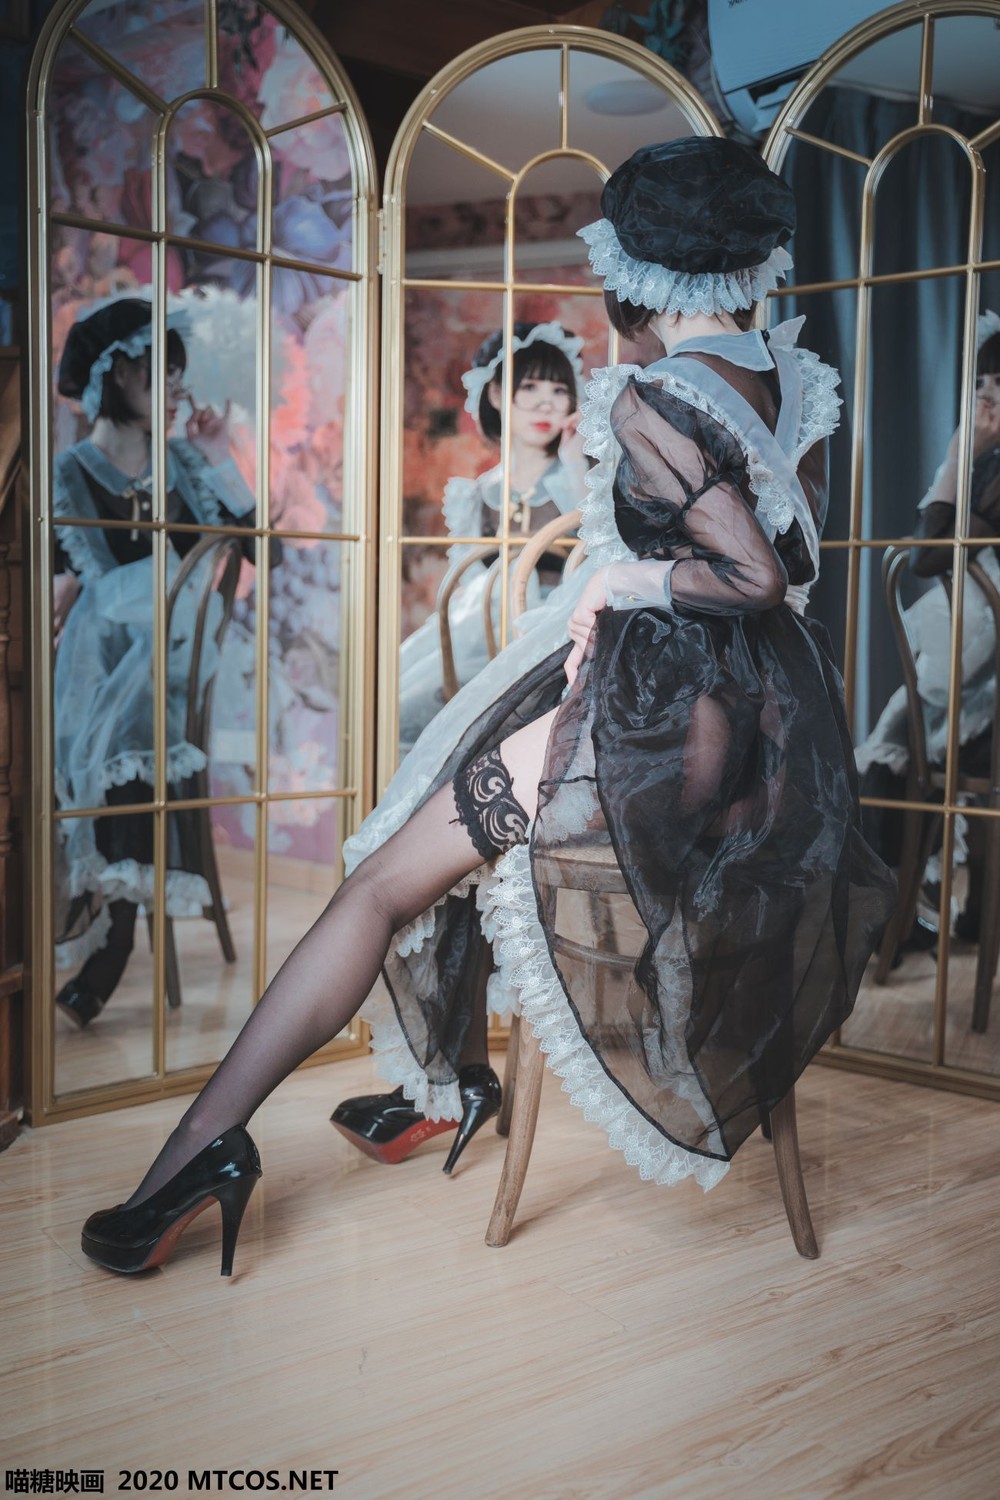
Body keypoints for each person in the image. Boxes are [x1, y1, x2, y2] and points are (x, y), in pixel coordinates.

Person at [80, 139, 895, 1277]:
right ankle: (446, 1082)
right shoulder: (791, 377)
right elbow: (792, 570)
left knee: (378, 884)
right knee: (442, 824)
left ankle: (202, 1150)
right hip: (761, 738)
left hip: (656, 731)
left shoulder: (658, 393)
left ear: (641, 266)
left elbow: (752, 574)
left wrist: (620, 580)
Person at [52, 297, 263, 1028]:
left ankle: (112, 944)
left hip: (172, 667)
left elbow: (259, 550)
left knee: (132, 727)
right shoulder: (70, 472)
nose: (176, 387)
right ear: (116, 373)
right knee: (92, 731)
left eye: (178, 372)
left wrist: (220, 456)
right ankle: (90, 926)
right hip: (94, 665)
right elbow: (72, 576)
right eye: (161, 372)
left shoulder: (182, 462)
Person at [857, 312, 1000, 946]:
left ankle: (893, 920)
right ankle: (916, 913)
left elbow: (925, 556)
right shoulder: (990, 467)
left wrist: (958, 456)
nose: (987, 398)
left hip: (989, 695)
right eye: (982, 383)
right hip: (976, 678)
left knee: (900, 751)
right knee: (896, 744)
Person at [397, 321, 588, 755]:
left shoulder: (582, 476)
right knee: (411, 709)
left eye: (559, 390)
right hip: (485, 638)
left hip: (557, 640)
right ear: (498, 395)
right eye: (530, 387)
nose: (546, 402)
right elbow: (466, 589)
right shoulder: (476, 495)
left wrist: (575, 462)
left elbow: (604, 546)